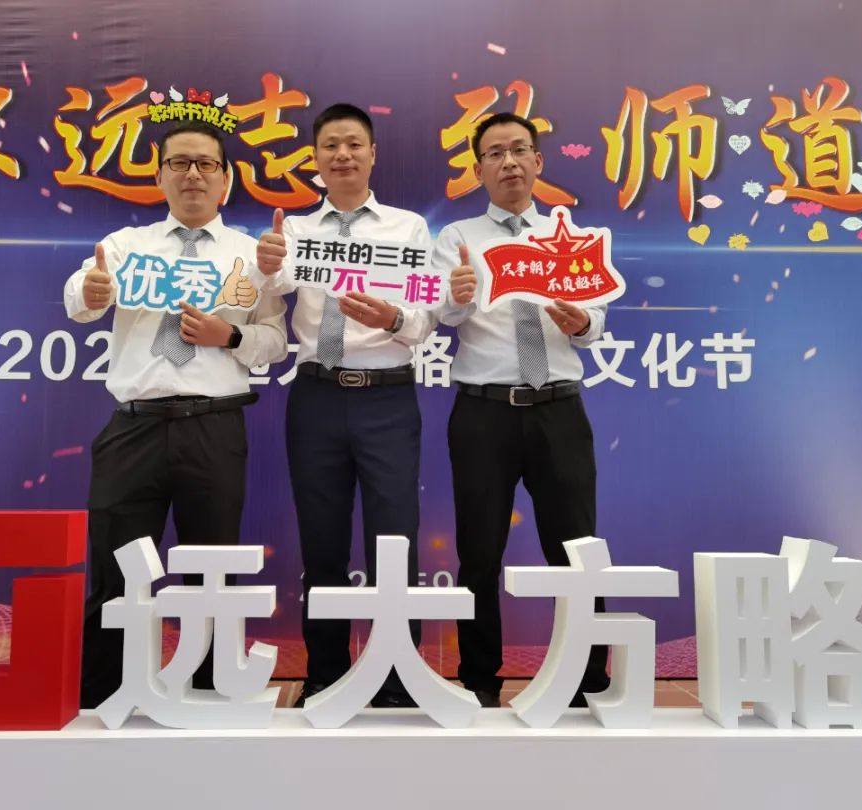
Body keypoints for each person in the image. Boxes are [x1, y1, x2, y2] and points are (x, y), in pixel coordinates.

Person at [63, 121, 288, 709]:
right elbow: (80, 296)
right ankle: (104, 701)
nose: (193, 174)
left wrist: (228, 335)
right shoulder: (125, 245)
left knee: (212, 573)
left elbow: (274, 340)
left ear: (225, 179)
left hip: (214, 427)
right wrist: (90, 293)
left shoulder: (252, 255)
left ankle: (212, 696)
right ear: (159, 176)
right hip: (133, 427)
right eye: (179, 163)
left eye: (206, 164)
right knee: (116, 571)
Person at [250, 103, 436, 708]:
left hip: (387, 397)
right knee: (322, 542)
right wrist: (267, 265)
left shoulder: (408, 229)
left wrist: (394, 318)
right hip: (317, 398)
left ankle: (398, 677)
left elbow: (426, 317)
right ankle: (325, 673)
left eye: (354, 143)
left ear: (373, 154)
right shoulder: (295, 232)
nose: (343, 155)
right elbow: (272, 287)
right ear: (316, 158)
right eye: (330, 145)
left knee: (395, 542)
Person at [434, 112, 611, 708]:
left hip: (558, 411)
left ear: (538, 161)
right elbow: (442, 314)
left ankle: (588, 679)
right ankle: (480, 680)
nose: (508, 162)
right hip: (484, 414)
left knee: (577, 549)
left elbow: (595, 321)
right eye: (495, 153)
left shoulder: (571, 236)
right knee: (479, 552)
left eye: (519, 150)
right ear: (478, 168)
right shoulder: (457, 238)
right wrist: (457, 298)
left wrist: (582, 322)